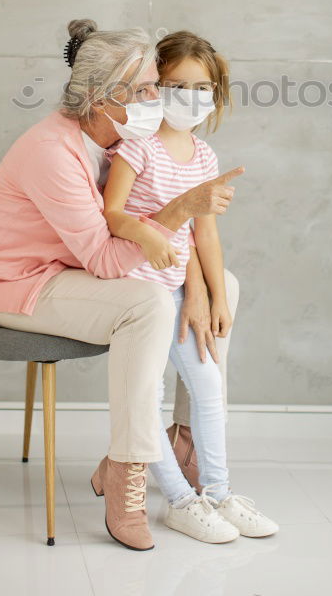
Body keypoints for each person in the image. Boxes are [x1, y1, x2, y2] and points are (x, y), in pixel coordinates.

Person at [0, 18, 244, 551]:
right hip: (20, 285)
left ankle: (184, 440)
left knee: (221, 285)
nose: (154, 98)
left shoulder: (118, 138)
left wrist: (198, 281)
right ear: (100, 98)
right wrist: (181, 213)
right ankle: (127, 469)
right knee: (145, 302)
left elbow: (155, 231)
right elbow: (105, 255)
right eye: (144, 89)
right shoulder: (54, 151)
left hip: (70, 273)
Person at [102, 29, 279, 544]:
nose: (192, 97)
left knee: (208, 387)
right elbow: (112, 216)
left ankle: (219, 493)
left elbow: (206, 233)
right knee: (148, 396)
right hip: (137, 292)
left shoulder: (203, 155)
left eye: (203, 87)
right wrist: (152, 234)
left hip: (177, 287)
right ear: (155, 86)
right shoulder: (137, 147)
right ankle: (179, 499)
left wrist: (217, 296)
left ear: (216, 92)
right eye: (178, 84)